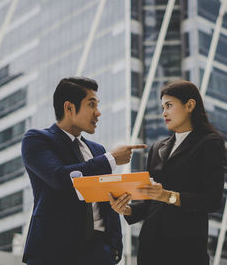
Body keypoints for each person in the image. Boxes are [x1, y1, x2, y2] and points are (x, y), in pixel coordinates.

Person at [21, 77, 146, 265]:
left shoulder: (97, 151)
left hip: (99, 254)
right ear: (69, 108)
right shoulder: (36, 140)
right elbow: (59, 177)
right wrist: (112, 159)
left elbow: (107, 199)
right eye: (92, 104)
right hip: (53, 254)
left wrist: (113, 249)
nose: (98, 113)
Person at [109, 80, 227, 265]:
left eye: (169, 106)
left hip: (186, 248)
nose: (164, 112)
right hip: (150, 247)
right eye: (163, 107)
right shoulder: (158, 147)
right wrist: (126, 208)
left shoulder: (210, 143)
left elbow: (211, 200)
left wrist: (168, 196)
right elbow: (151, 201)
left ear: (190, 105)